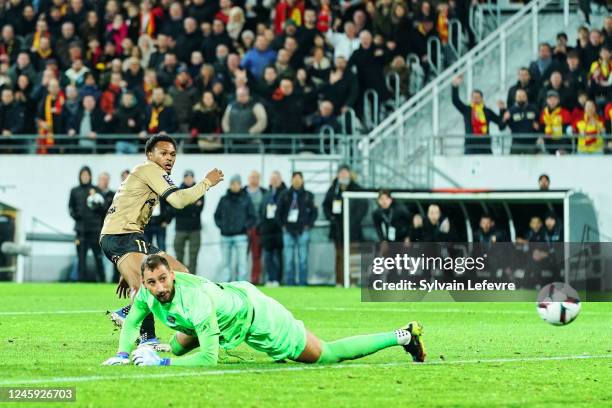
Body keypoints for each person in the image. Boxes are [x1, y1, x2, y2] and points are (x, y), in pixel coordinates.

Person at [102, 255, 426, 366]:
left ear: (172, 275)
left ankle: (402, 336)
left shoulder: (195, 299)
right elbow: (132, 322)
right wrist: (121, 353)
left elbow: (208, 358)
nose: (159, 287)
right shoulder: (148, 292)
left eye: (163, 279)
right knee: (180, 337)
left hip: (260, 319)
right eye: (152, 282)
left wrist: (164, 362)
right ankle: (168, 346)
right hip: (233, 303)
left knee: (326, 355)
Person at [100, 134, 224, 349]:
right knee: (147, 287)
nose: (169, 158)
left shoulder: (145, 174)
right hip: (122, 237)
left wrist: (126, 264)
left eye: (173, 154)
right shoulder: (151, 169)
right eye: (164, 153)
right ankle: (133, 320)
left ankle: (146, 336)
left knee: (180, 273)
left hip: (125, 239)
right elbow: (178, 200)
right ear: (150, 155)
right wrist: (206, 183)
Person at [323, 164, 368, 286]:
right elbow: (326, 206)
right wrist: (331, 218)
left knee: (352, 257)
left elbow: (363, 206)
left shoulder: (357, 189)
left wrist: (354, 221)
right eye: (341, 173)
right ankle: (339, 282)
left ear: (350, 174)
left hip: (353, 230)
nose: (343, 175)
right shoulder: (333, 190)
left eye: (345, 173)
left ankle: (353, 282)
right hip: (338, 230)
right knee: (339, 256)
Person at [276, 172, 317, 286]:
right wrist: (283, 226)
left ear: (303, 180)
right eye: (295, 178)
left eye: (299, 178)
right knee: (289, 260)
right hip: (288, 231)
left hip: (302, 231)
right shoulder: (284, 195)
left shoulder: (308, 195)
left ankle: (303, 283)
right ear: (291, 180)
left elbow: (314, 212)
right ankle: (289, 283)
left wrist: (308, 225)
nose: (297, 181)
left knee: (303, 260)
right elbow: (278, 212)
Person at [214, 175, 256, 282]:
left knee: (242, 264)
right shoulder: (223, 199)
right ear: (230, 185)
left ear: (240, 185)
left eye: (237, 183)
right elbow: (216, 216)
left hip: (241, 236)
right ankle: (225, 286)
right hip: (225, 236)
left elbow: (253, 217)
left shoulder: (246, 199)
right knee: (225, 264)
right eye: (233, 183)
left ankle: (241, 285)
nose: (235, 186)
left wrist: (244, 227)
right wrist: (222, 226)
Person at [69, 166, 106, 282]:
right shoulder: (74, 191)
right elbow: (70, 208)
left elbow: (104, 209)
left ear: (90, 176)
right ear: (80, 176)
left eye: (87, 175)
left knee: (98, 257)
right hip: (80, 231)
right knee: (81, 258)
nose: (85, 177)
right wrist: (77, 216)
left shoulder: (96, 190)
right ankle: (81, 281)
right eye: (83, 175)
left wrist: (98, 205)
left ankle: (102, 279)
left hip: (95, 230)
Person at [451, 75, 505, 154]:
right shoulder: (467, 110)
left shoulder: (487, 111)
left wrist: (502, 110)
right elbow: (455, 101)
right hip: (470, 146)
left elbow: (501, 124)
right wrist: (455, 86)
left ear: (482, 99)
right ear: (471, 99)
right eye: (474, 98)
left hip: (485, 146)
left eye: (478, 97)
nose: (475, 99)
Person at [173, 170, 204, 275]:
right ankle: (181, 278)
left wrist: (184, 205)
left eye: (190, 177)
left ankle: (192, 279)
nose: (188, 179)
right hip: (180, 228)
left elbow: (198, 210)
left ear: (193, 178)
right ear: (184, 178)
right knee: (179, 256)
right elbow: (175, 209)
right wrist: (192, 204)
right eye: (186, 177)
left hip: (195, 229)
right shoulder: (177, 191)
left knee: (193, 256)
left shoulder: (199, 191)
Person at [258, 171, 286, 286]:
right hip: (267, 230)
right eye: (272, 179)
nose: (274, 181)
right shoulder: (266, 194)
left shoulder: (284, 193)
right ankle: (270, 278)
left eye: (276, 179)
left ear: (280, 180)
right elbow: (261, 211)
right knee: (268, 257)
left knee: (278, 257)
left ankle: (277, 279)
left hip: (278, 230)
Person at [244, 170, 267, 284]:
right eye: (252, 177)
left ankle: (255, 280)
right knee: (242, 255)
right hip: (244, 228)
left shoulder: (264, 192)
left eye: (256, 177)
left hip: (258, 228)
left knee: (256, 256)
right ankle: (240, 279)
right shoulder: (243, 192)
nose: (254, 179)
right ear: (249, 178)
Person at [501, 88, 540, 154]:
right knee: (513, 163)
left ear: (526, 97)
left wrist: (538, 127)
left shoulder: (533, 109)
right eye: (519, 96)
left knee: (532, 163)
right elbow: (501, 127)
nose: (521, 98)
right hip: (516, 143)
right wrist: (504, 119)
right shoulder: (511, 110)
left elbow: (540, 124)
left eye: (523, 96)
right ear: (515, 98)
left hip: (531, 143)